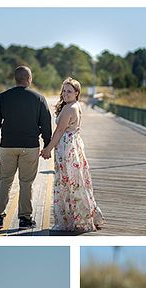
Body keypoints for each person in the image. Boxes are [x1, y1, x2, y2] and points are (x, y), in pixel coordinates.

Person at [0, 66, 53, 229]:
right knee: (26, 183)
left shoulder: (2, 97)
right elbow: (46, 124)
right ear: (29, 79)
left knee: (5, 180)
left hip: (7, 146)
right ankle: (25, 219)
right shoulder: (39, 98)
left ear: (15, 79)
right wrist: (47, 145)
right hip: (30, 147)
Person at [42, 78, 104, 232]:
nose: (65, 94)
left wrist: (48, 148)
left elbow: (59, 131)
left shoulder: (69, 108)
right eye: (63, 90)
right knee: (76, 182)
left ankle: (73, 220)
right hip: (73, 146)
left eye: (69, 91)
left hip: (67, 149)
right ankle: (83, 217)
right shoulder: (75, 105)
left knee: (68, 183)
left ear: (77, 93)